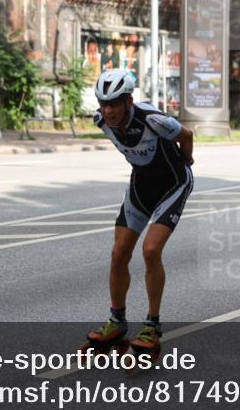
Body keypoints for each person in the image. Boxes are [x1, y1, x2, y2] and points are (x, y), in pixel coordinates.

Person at [82, 69, 195, 357]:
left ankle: (152, 325)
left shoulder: (152, 119)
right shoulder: (101, 122)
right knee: (119, 253)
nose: (108, 111)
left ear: (128, 102)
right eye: (103, 104)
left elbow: (187, 134)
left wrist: (187, 160)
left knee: (150, 250)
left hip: (173, 184)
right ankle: (117, 321)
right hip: (141, 186)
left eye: (114, 104)